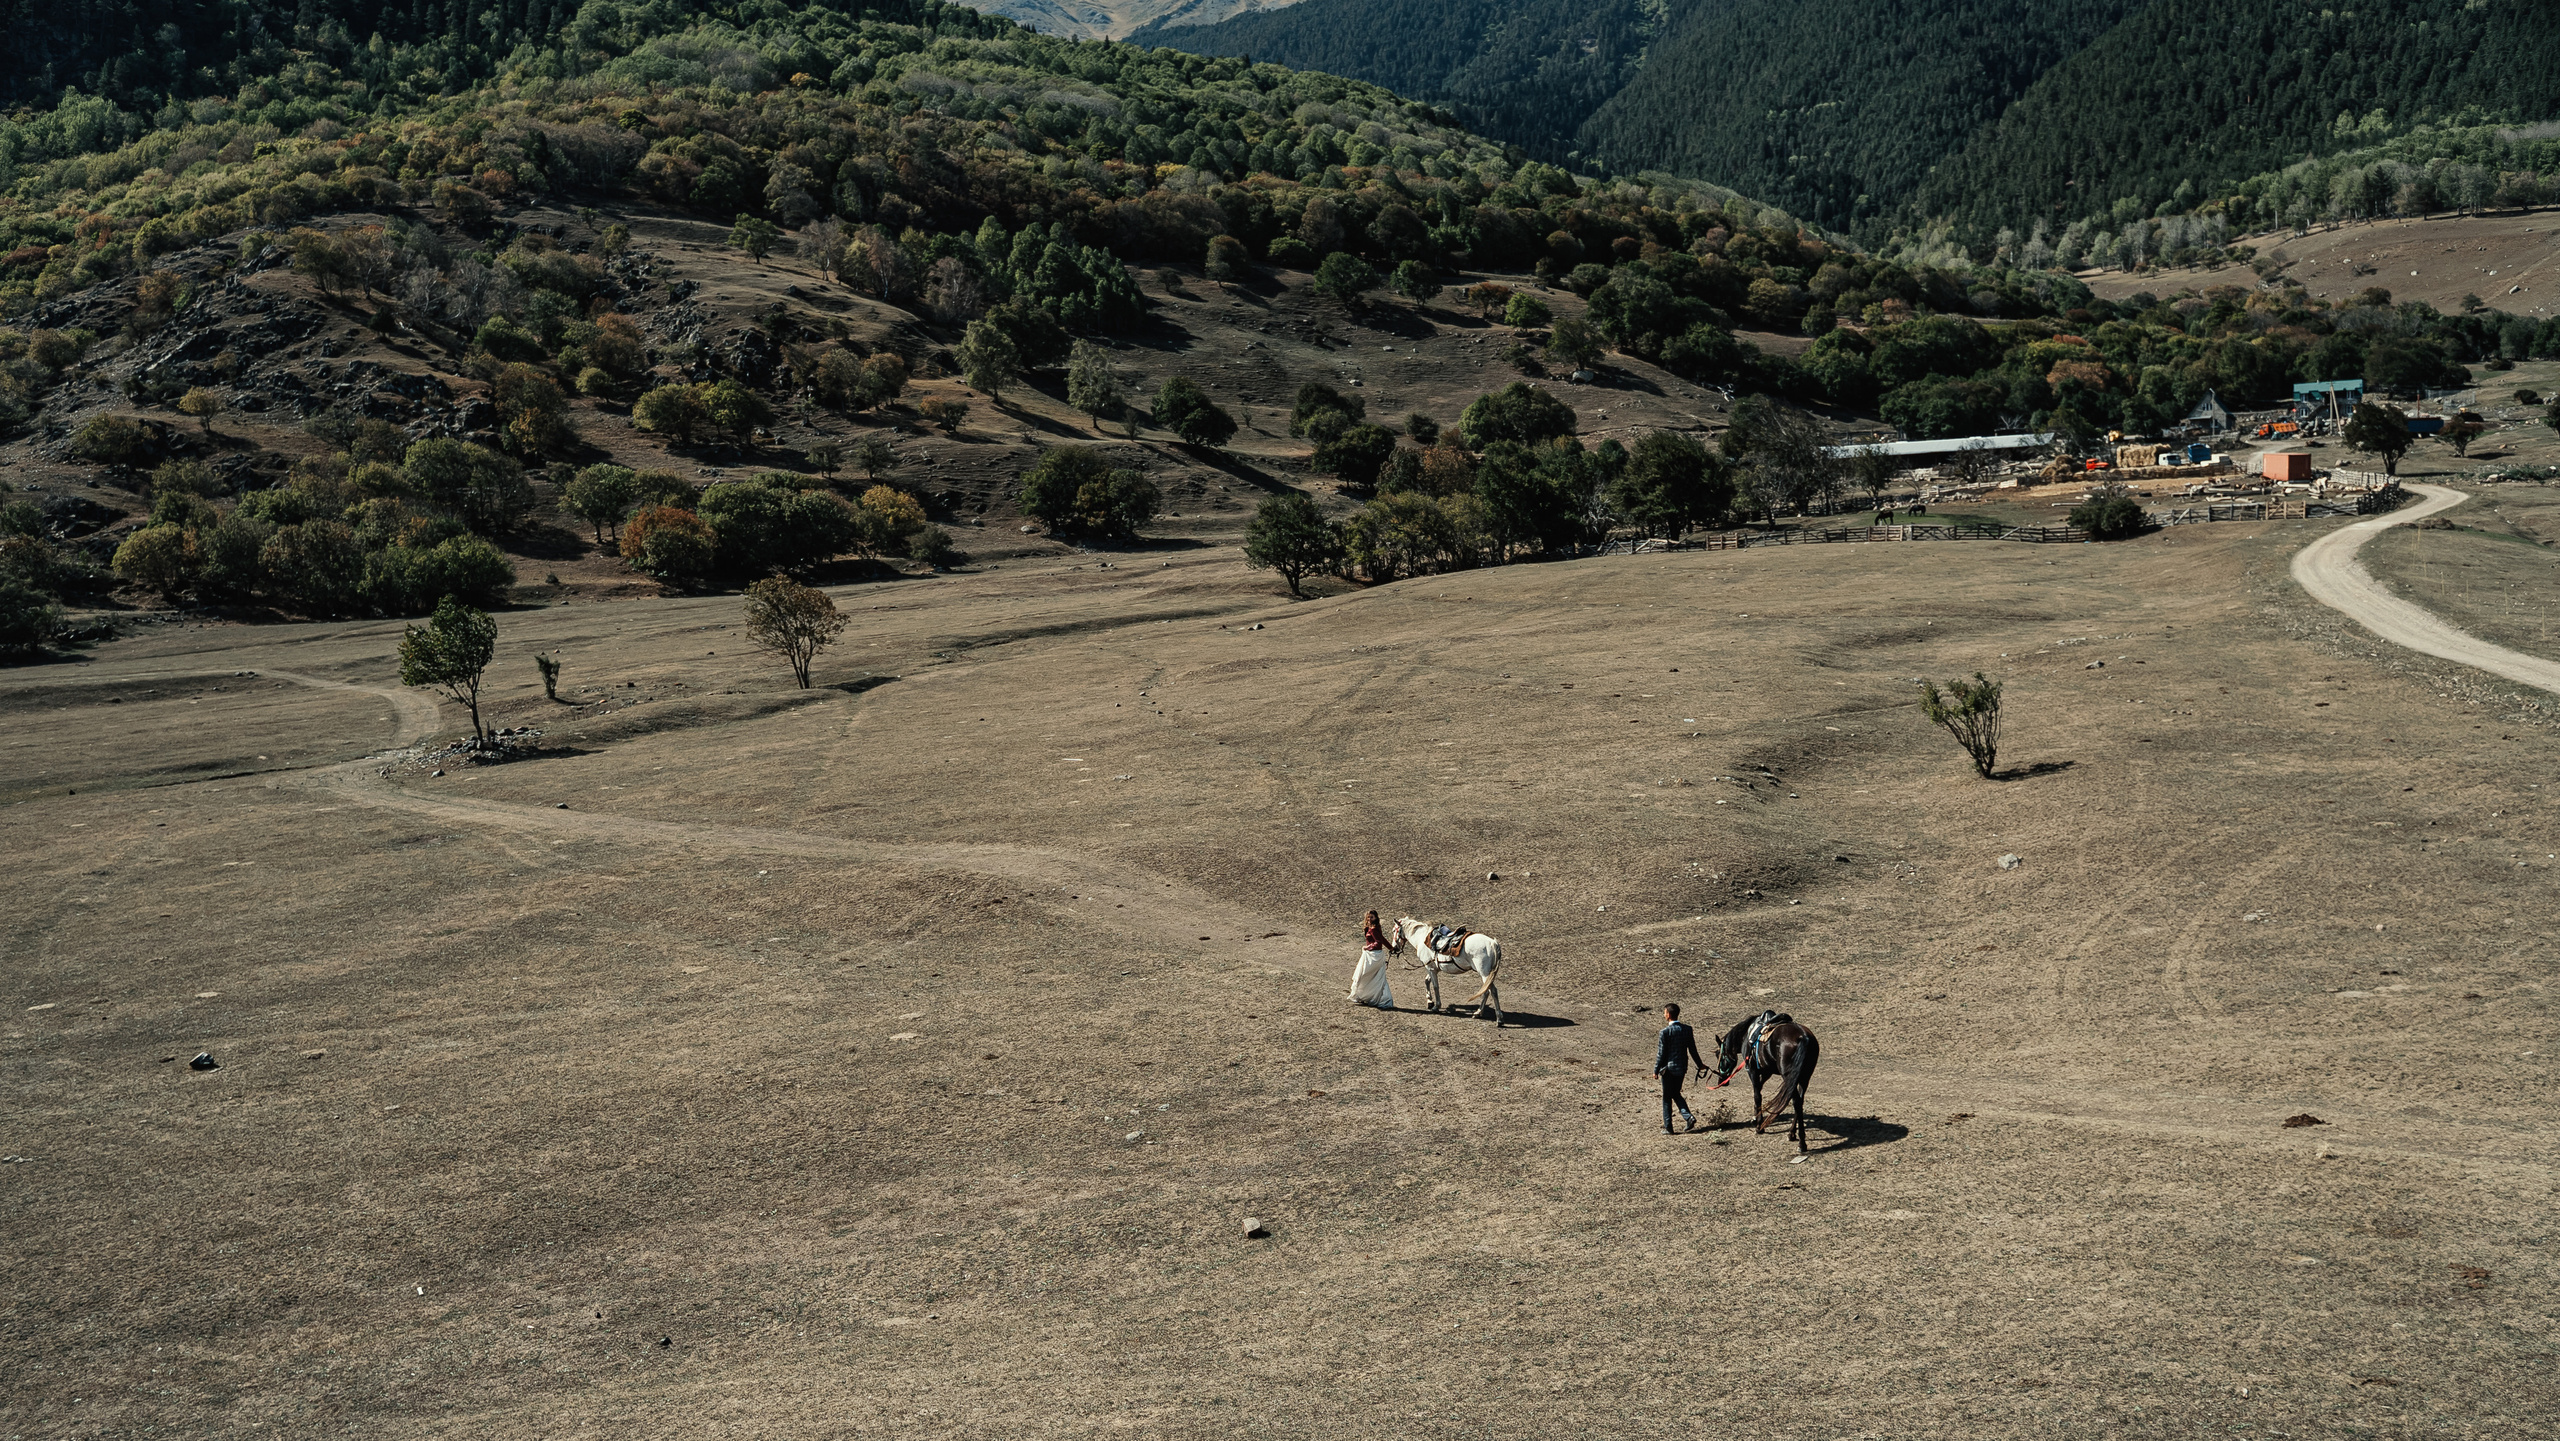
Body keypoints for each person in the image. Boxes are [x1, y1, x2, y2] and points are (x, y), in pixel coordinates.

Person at [1655, 1002, 1707, 1134]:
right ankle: (1688, 1117)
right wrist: (1700, 1064)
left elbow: (1661, 1054)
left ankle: (1669, 1127)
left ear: (1669, 1014)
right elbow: (1693, 1050)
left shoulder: (1664, 1032)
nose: (1664, 1014)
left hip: (1668, 1070)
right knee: (1676, 1093)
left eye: (1665, 1012)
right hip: (1682, 1068)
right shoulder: (1687, 1029)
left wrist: (1655, 1070)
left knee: (1667, 1097)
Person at [1349, 910, 1395, 1009]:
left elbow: (1378, 942)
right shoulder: (1372, 928)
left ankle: (1369, 996)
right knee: (1373, 976)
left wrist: (1367, 947)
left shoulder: (1374, 929)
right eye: (1368, 917)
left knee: (1365, 975)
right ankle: (1368, 996)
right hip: (1372, 955)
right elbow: (1382, 939)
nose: (1369, 919)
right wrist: (1390, 947)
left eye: (1372, 917)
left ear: (1376, 918)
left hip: (1373, 956)